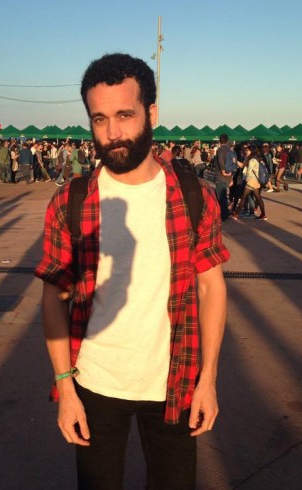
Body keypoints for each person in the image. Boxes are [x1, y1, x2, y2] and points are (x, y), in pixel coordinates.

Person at [35, 53, 230, 489]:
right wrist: (65, 388)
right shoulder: (71, 201)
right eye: (99, 119)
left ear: (151, 114)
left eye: (125, 115)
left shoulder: (193, 196)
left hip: (174, 383)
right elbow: (53, 296)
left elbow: (211, 288)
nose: (112, 132)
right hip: (95, 384)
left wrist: (209, 380)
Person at [230, 144, 268, 220]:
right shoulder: (256, 158)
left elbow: (249, 171)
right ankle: (263, 215)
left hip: (251, 180)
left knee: (244, 197)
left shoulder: (252, 160)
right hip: (255, 181)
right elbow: (244, 166)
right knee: (258, 198)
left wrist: (247, 180)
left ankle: (236, 214)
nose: (246, 151)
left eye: (247, 150)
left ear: (251, 151)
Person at [214, 134, 232, 221]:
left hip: (220, 176)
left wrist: (223, 171)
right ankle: (225, 214)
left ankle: (223, 215)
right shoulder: (230, 150)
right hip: (227, 176)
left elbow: (220, 161)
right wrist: (231, 177)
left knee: (220, 197)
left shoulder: (220, 150)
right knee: (224, 196)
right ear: (227, 141)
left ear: (219, 141)